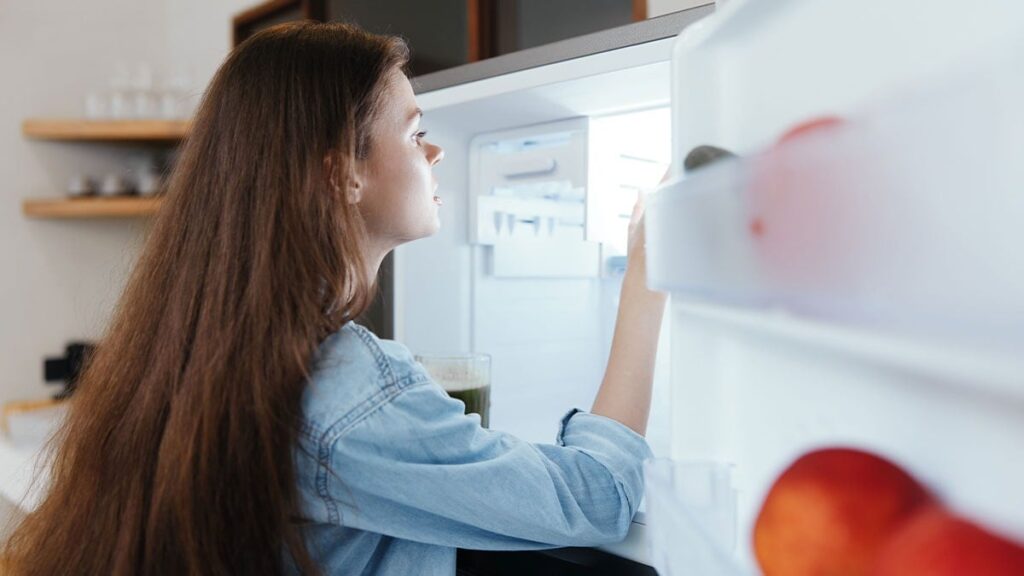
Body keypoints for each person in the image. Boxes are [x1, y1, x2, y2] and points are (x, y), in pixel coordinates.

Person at [3, 22, 667, 576]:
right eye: (414, 133)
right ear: (341, 172)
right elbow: (597, 497)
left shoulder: (214, 339)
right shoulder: (349, 388)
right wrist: (647, 272)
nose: (437, 152)